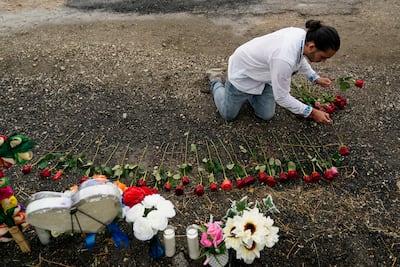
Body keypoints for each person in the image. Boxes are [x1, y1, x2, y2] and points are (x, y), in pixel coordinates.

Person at [205, 20, 340, 124]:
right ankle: (215, 80)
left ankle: (252, 95)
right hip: (244, 74)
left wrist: (314, 77)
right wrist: (311, 112)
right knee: (228, 115)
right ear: (311, 46)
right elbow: (281, 97)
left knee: (266, 115)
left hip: (265, 75)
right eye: (323, 57)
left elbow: (300, 59)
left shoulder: (303, 38)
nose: (323, 61)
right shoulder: (284, 58)